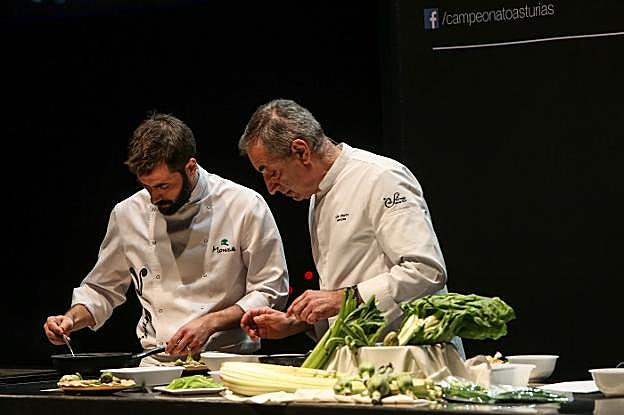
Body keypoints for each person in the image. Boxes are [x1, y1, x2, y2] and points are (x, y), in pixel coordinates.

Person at [43, 112, 289, 363]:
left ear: (190, 168)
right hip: (156, 363)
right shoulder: (127, 213)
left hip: (229, 361)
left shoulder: (244, 205)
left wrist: (210, 323)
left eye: (163, 186)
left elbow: (270, 289)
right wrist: (71, 319)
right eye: (147, 186)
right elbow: (103, 289)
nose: (154, 198)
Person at [238, 99, 464, 357]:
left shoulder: (381, 177)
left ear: (301, 151)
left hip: (414, 356)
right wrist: (296, 323)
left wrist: (341, 299)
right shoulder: (317, 196)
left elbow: (426, 271)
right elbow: (345, 291)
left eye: (272, 172)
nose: (271, 188)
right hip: (364, 358)